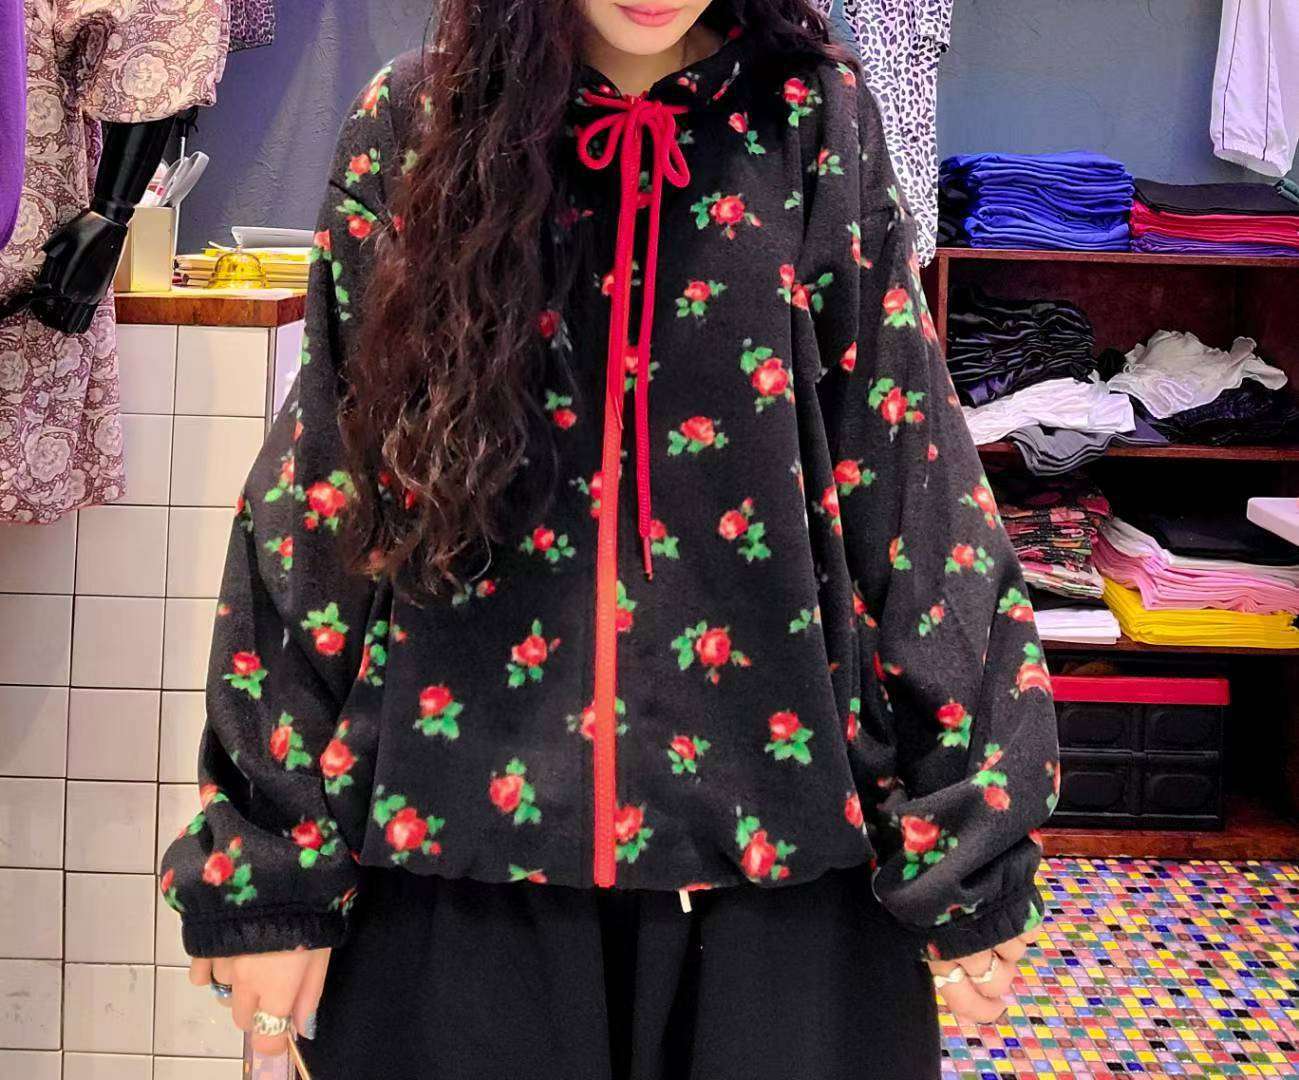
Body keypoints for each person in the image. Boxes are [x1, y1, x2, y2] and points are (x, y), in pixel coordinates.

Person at [161, 2, 1060, 1077]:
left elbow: (910, 479)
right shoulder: (415, 120)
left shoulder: (813, 122)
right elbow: (326, 488)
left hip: (780, 859)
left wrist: (969, 829)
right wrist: (274, 861)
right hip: (455, 854)